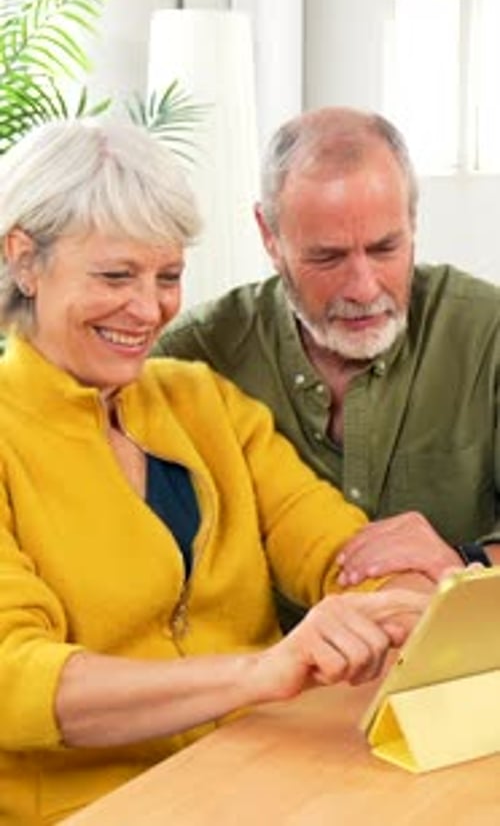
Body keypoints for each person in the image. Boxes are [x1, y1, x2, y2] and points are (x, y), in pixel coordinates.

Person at [0, 119, 431, 826]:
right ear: (25, 259)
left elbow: (340, 550)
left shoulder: (202, 401)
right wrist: (260, 672)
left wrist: (405, 603)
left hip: (254, 783)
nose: (148, 309)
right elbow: (15, 682)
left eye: (167, 276)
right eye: (115, 275)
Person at [157, 107, 500, 605]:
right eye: (328, 257)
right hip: (262, 675)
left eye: (385, 249)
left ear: (413, 222)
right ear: (269, 236)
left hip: (446, 674)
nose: (363, 289)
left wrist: (466, 560)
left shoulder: (486, 332)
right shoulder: (194, 358)